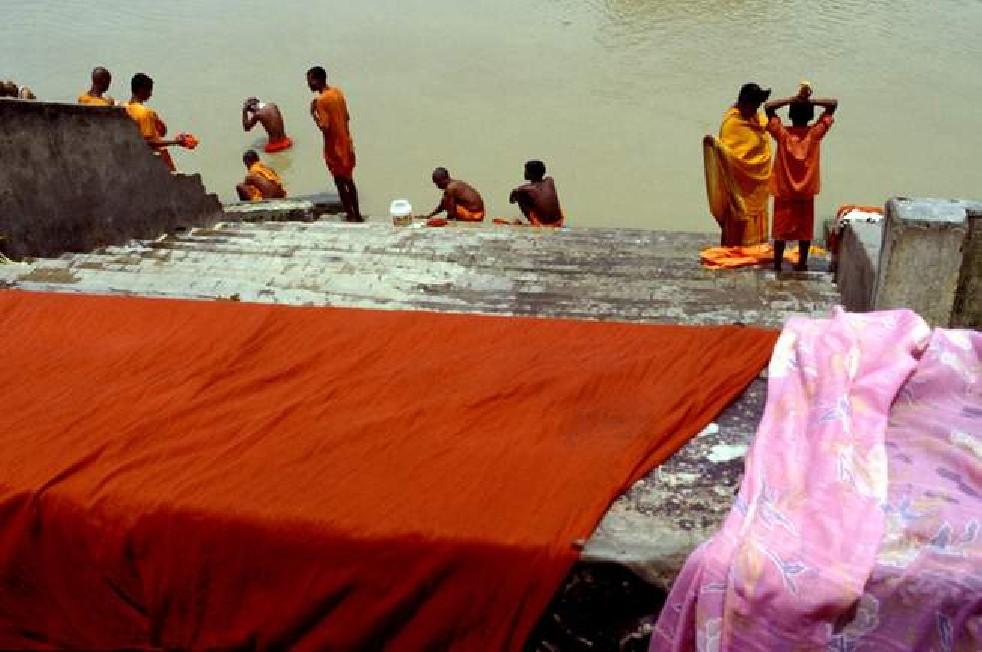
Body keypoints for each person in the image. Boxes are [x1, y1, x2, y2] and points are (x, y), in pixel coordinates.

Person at [765, 82, 838, 271]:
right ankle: (802, 263)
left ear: (789, 115)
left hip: (784, 190)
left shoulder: (782, 135)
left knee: (780, 232)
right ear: (811, 116)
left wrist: (793, 99)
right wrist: (809, 100)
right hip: (805, 191)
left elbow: (768, 108)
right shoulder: (814, 134)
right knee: (804, 232)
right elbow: (833, 105)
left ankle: (778, 264)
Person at [704, 82, 773, 246]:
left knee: (757, 218)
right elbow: (729, 156)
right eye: (754, 105)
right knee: (739, 218)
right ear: (744, 103)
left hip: (757, 185)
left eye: (758, 106)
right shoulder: (732, 123)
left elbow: (771, 126)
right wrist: (715, 144)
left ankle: (755, 247)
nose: (756, 110)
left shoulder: (756, 119)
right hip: (738, 188)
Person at [307, 65, 362, 222]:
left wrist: (314, 114)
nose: (308, 84)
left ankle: (350, 214)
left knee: (340, 182)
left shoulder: (321, 100)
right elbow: (347, 117)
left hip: (334, 147)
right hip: (346, 143)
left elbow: (325, 127)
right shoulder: (338, 93)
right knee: (349, 180)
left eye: (310, 80)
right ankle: (356, 213)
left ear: (317, 80)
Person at [125, 73, 189, 172]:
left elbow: (162, 132)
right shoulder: (143, 112)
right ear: (141, 90)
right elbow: (149, 143)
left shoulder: (125, 109)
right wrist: (177, 142)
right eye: (149, 90)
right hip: (153, 164)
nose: (150, 94)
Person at [509, 160, 564, 226]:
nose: (524, 172)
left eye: (526, 170)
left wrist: (515, 193)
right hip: (559, 220)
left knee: (520, 196)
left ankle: (535, 223)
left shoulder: (523, 189)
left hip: (543, 225)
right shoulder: (550, 180)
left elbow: (511, 201)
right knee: (530, 197)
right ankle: (537, 220)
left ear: (531, 173)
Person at [421, 168, 485, 222]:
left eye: (438, 183)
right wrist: (429, 216)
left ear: (443, 180)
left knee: (448, 201)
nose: (437, 186)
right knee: (446, 200)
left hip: (474, 216)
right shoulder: (456, 183)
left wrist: (446, 222)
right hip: (481, 214)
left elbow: (451, 212)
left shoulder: (450, 189)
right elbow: (442, 205)